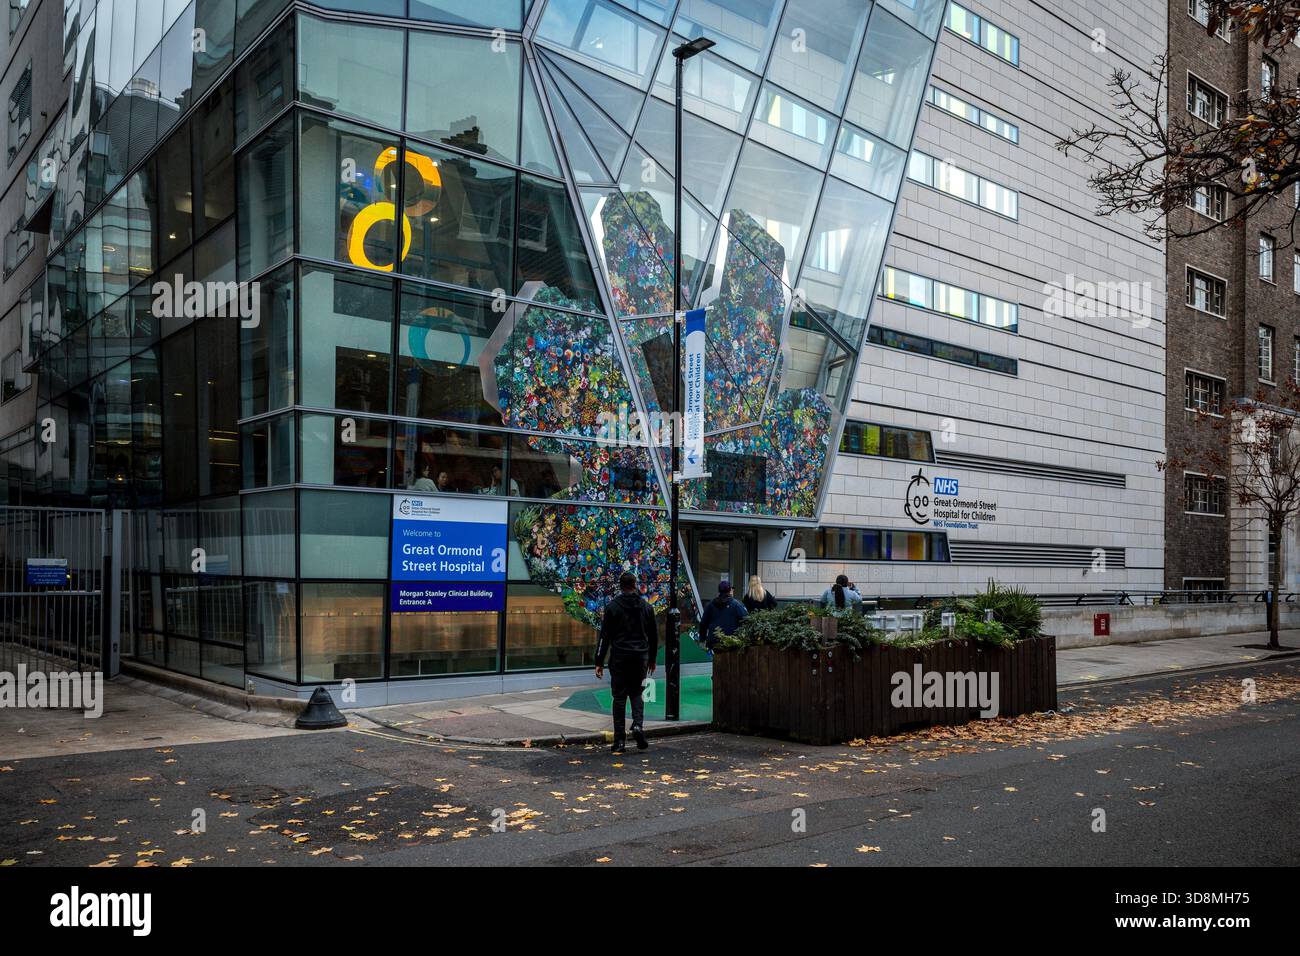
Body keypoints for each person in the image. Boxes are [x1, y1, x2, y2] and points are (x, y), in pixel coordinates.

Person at [594, 572, 658, 755]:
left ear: (620, 586)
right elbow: (653, 637)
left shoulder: (613, 607)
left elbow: (604, 636)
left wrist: (599, 661)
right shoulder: (646, 607)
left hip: (620, 657)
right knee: (637, 693)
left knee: (619, 697)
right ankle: (637, 725)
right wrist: (652, 659)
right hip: (640, 658)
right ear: (635, 584)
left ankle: (619, 740)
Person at [699, 581, 748, 649]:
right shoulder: (737, 605)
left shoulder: (711, 605)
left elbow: (703, 624)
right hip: (732, 642)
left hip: (714, 641)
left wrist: (702, 639)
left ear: (719, 591)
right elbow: (746, 620)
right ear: (730, 590)